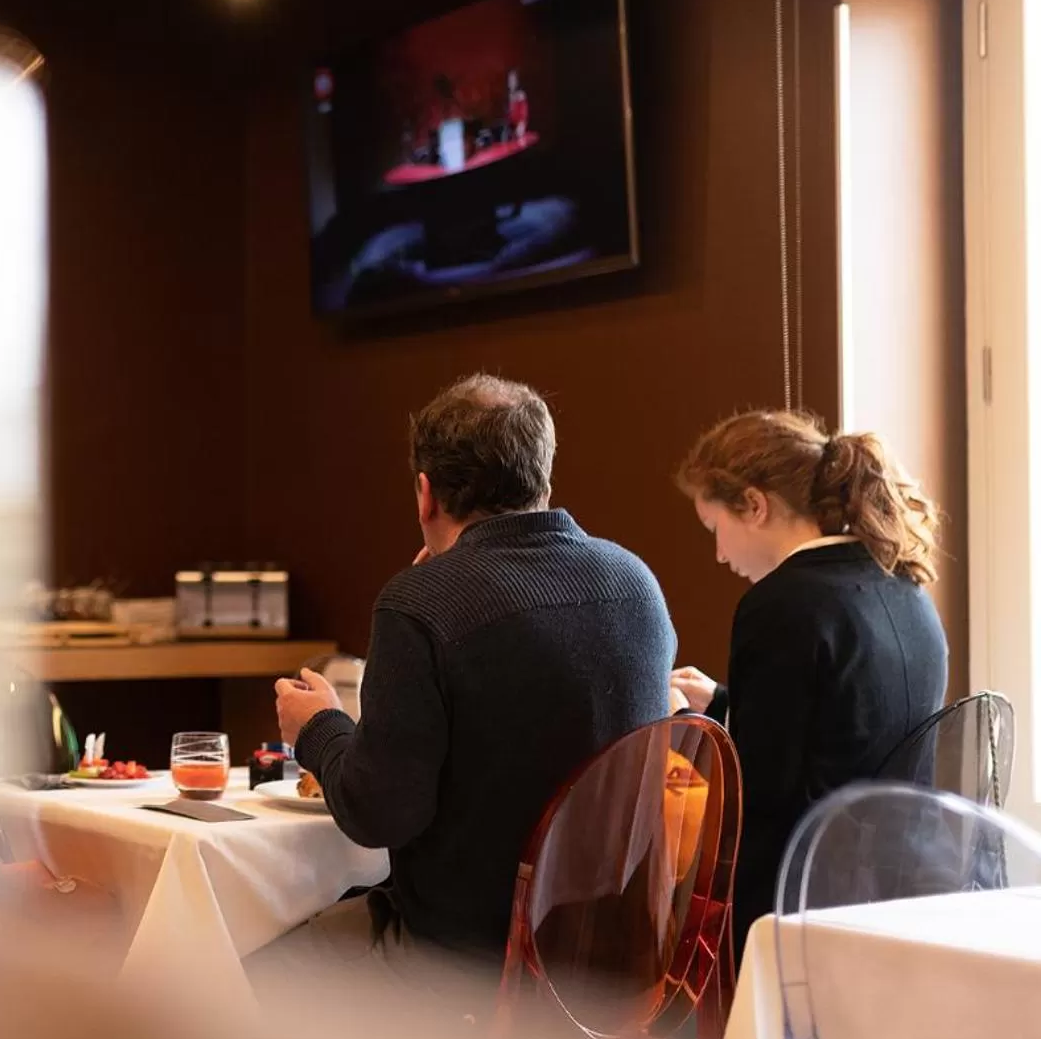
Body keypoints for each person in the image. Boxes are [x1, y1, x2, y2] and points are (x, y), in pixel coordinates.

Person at [255, 375, 676, 1002]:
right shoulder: (634, 583)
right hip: (620, 958)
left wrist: (318, 728)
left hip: (474, 962)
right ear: (545, 479)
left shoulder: (421, 604)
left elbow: (379, 813)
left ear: (425, 494)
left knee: (239, 981)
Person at [669, 411, 947, 944]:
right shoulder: (906, 588)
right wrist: (725, 703)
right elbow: (849, 724)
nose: (720, 554)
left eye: (716, 530)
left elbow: (760, 793)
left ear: (754, 505)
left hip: (803, 901)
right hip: (905, 892)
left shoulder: (780, 605)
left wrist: (684, 722)